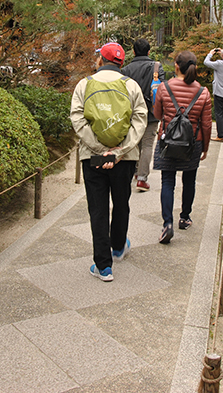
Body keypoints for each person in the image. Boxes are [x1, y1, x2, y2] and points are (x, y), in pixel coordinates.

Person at [70, 42, 147, 281]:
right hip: (124, 158)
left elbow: (77, 118)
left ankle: (103, 266)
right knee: (121, 203)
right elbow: (140, 120)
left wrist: (99, 149)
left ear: (100, 61)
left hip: (92, 157)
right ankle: (117, 248)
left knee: (98, 208)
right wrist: (119, 151)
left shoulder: (84, 84)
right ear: (121, 63)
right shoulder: (131, 86)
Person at [152, 51, 212, 244]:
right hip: (193, 143)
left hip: (168, 142)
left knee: (167, 181)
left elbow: (157, 113)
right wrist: (205, 147)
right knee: (190, 179)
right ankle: (185, 217)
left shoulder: (164, 87)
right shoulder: (203, 92)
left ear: (176, 66)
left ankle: (167, 224)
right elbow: (207, 123)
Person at [121, 38, 166, 191]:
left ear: (133, 52)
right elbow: (162, 92)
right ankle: (142, 179)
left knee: (133, 141)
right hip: (151, 113)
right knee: (147, 144)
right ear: (149, 51)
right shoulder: (157, 67)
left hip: (131, 113)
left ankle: (132, 171)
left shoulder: (125, 70)